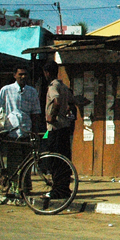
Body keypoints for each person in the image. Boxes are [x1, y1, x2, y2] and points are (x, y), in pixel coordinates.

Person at [41, 61, 86, 198]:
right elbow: (74, 101)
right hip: (65, 128)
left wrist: (52, 116)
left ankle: (56, 191)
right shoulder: (64, 86)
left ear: (47, 73)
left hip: (55, 129)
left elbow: (57, 101)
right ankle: (64, 189)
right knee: (64, 160)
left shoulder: (53, 86)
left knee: (55, 161)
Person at [0, 66, 43, 173]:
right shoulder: (6, 90)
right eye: (20, 74)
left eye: (25, 74)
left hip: (26, 131)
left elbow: (35, 113)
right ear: (15, 75)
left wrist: (35, 131)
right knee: (14, 162)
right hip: (11, 132)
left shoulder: (32, 91)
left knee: (27, 162)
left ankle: (25, 187)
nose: (23, 76)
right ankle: (14, 187)